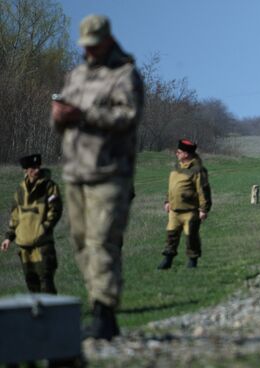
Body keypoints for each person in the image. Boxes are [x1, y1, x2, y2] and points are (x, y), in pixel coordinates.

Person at [50, 14, 144, 341]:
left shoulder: (124, 75)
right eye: (85, 46)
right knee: (80, 241)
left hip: (109, 172)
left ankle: (104, 312)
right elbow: (63, 119)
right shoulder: (76, 75)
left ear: (106, 41)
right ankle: (98, 303)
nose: (88, 51)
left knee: (102, 240)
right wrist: (60, 117)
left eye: (94, 45)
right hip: (76, 171)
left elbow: (128, 116)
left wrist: (84, 114)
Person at [1, 154, 62, 294]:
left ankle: (52, 314)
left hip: (42, 246)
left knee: (46, 283)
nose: (37, 170)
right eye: (33, 168)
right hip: (24, 248)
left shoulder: (49, 186)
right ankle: (37, 315)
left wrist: (43, 228)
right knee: (31, 284)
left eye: (38, 167)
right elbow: (15, 216)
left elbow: (56, 210)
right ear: (26, 171)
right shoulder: (20, 190)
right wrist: (8, 238)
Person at [157, 139, 212, 270]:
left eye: (179, 152)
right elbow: (172, 188)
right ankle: (168, 260)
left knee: (191, 236)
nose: (177, 153)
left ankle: (192, 261)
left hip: (190, 211)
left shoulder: (198, 170)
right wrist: (167, 201)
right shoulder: (176, 168)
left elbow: (203, 190)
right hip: (174, 211)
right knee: (171, 235)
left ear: (186, 154)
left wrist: (203, 209)